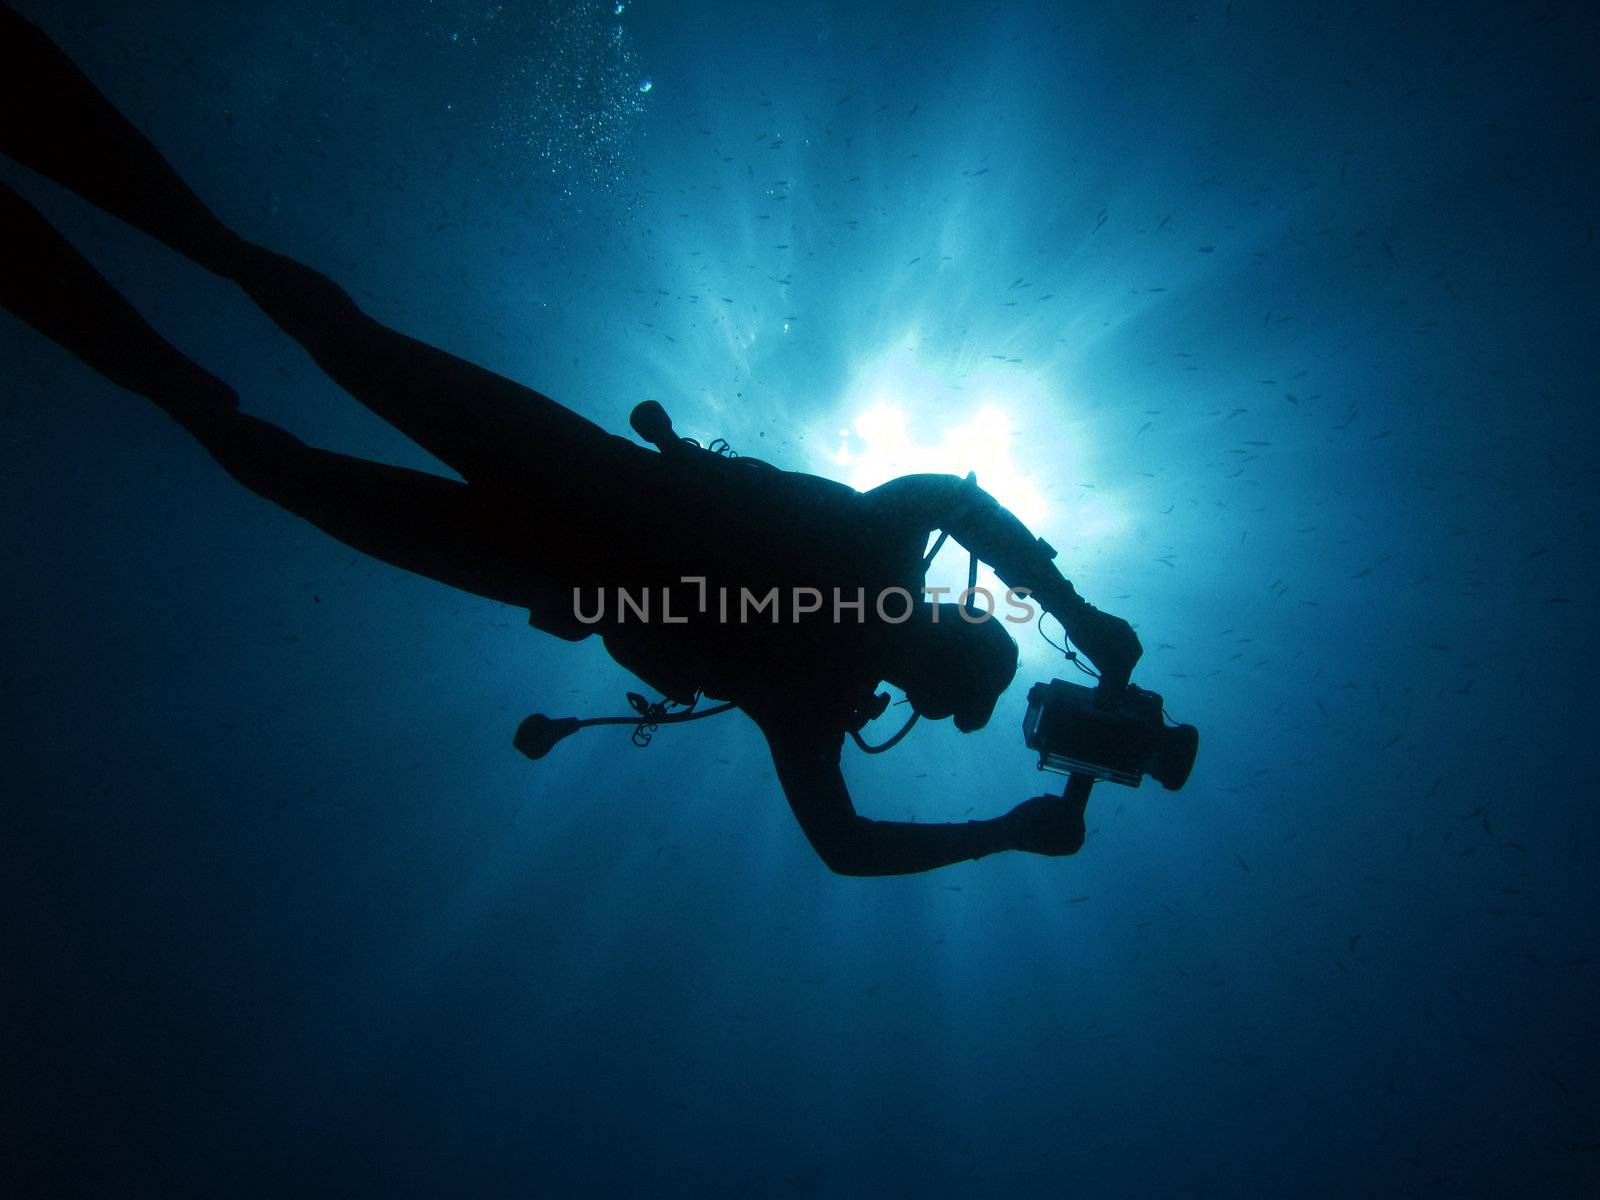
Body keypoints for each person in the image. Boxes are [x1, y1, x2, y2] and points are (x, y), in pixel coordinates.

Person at [0, 4, 1142, 876]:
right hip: (562, 501)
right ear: (947, 627)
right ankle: (153, 335)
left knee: (296, 426)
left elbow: (846, 833)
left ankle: (153, 356)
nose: (932, 649)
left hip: (547, 542)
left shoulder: (818, 673)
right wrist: (1047, 703)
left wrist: (1061, 671)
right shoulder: (857, 599)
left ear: (926, 677)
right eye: (956, 646)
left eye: (945, 667)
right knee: (316, 383)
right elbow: (952, 502)